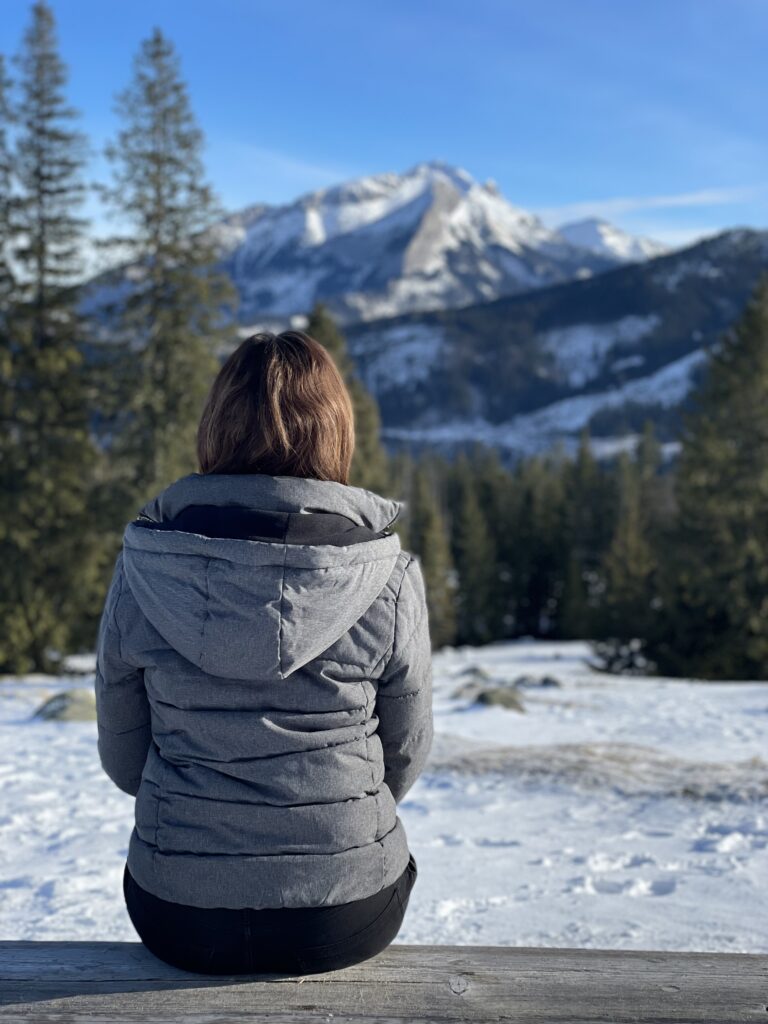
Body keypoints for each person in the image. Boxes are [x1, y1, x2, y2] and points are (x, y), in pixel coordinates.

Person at [94, 330, 433, 976]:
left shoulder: (145, 568)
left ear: (216, 427)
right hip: (344, 912)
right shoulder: (385, 576)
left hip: (178, 910)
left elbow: (125, 759)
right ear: (334, 430)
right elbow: (406, 753)